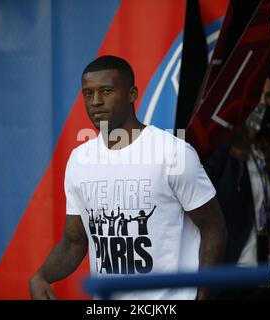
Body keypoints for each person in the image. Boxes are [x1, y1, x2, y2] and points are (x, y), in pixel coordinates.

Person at [29, 55, 227, 300]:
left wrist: (203, 295)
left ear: (132, 94)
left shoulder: (173, 153)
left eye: (107, 91)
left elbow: (214, 228)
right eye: (88, 94)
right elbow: (74, 241)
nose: (96, 102)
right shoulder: (80, 160)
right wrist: (40, 276)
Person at [204, 68, 270, 298]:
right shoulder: (222, 151)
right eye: (258, 96)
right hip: (229, 271)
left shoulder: (266, 150)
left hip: (264, 270)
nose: (263, 105)